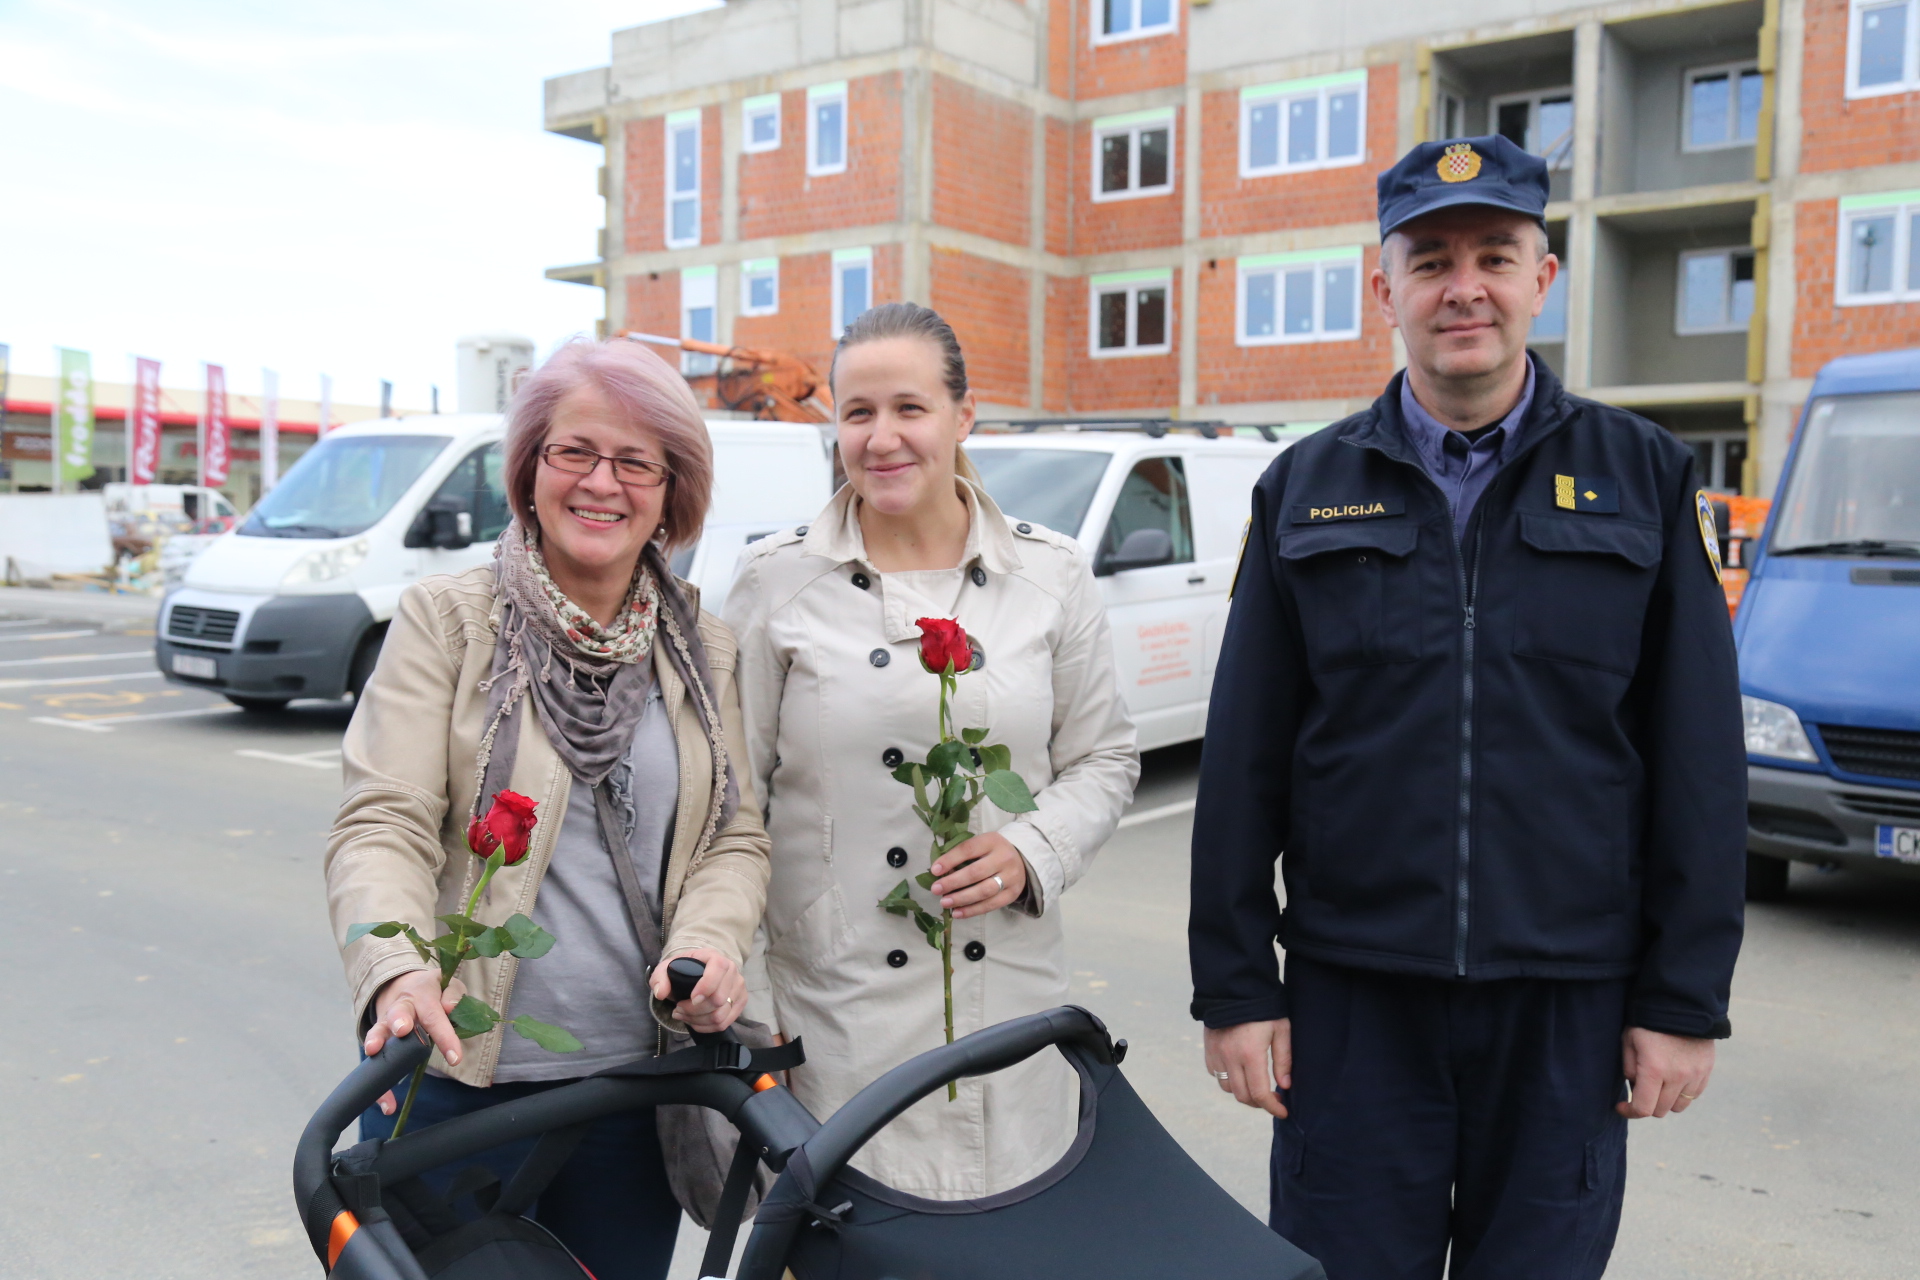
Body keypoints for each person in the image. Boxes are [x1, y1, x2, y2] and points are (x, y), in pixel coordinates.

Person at [1188, 135, 1746, 1279]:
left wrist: (1683, 997)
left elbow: (1697, 758)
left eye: (1495, 255)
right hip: (1353, 1001)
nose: (1465, 288)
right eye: (1431, 260)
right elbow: (1244, 758)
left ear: (1544, 278)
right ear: (1383, 286)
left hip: (1566, 1004)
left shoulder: (1647, 476)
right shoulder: (1304, 488)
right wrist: (1236, 987)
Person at [326, 338, 772, 1280]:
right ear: (530, 469)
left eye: (636, 461)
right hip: (456, 1077)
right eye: (574, 451)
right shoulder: (449, 620)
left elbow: (732, 835)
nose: (601, 482)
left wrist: (712, 944)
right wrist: (396, 971)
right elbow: (383, 821)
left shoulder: (704, 648)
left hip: (636, 1089)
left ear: (671, 491)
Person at [723, 302, 1140, 1199]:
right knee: (857, 1241)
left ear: (963, 416)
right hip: (837, 1017)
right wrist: (750, 1014)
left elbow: (1105, 759)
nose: (882, 438)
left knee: (1010, 1235)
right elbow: (732, 807)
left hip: (1009, 1006)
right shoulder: (775, 582)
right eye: (857, 413)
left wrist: (1034, 848)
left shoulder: (1051, 575)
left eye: (909, 408)